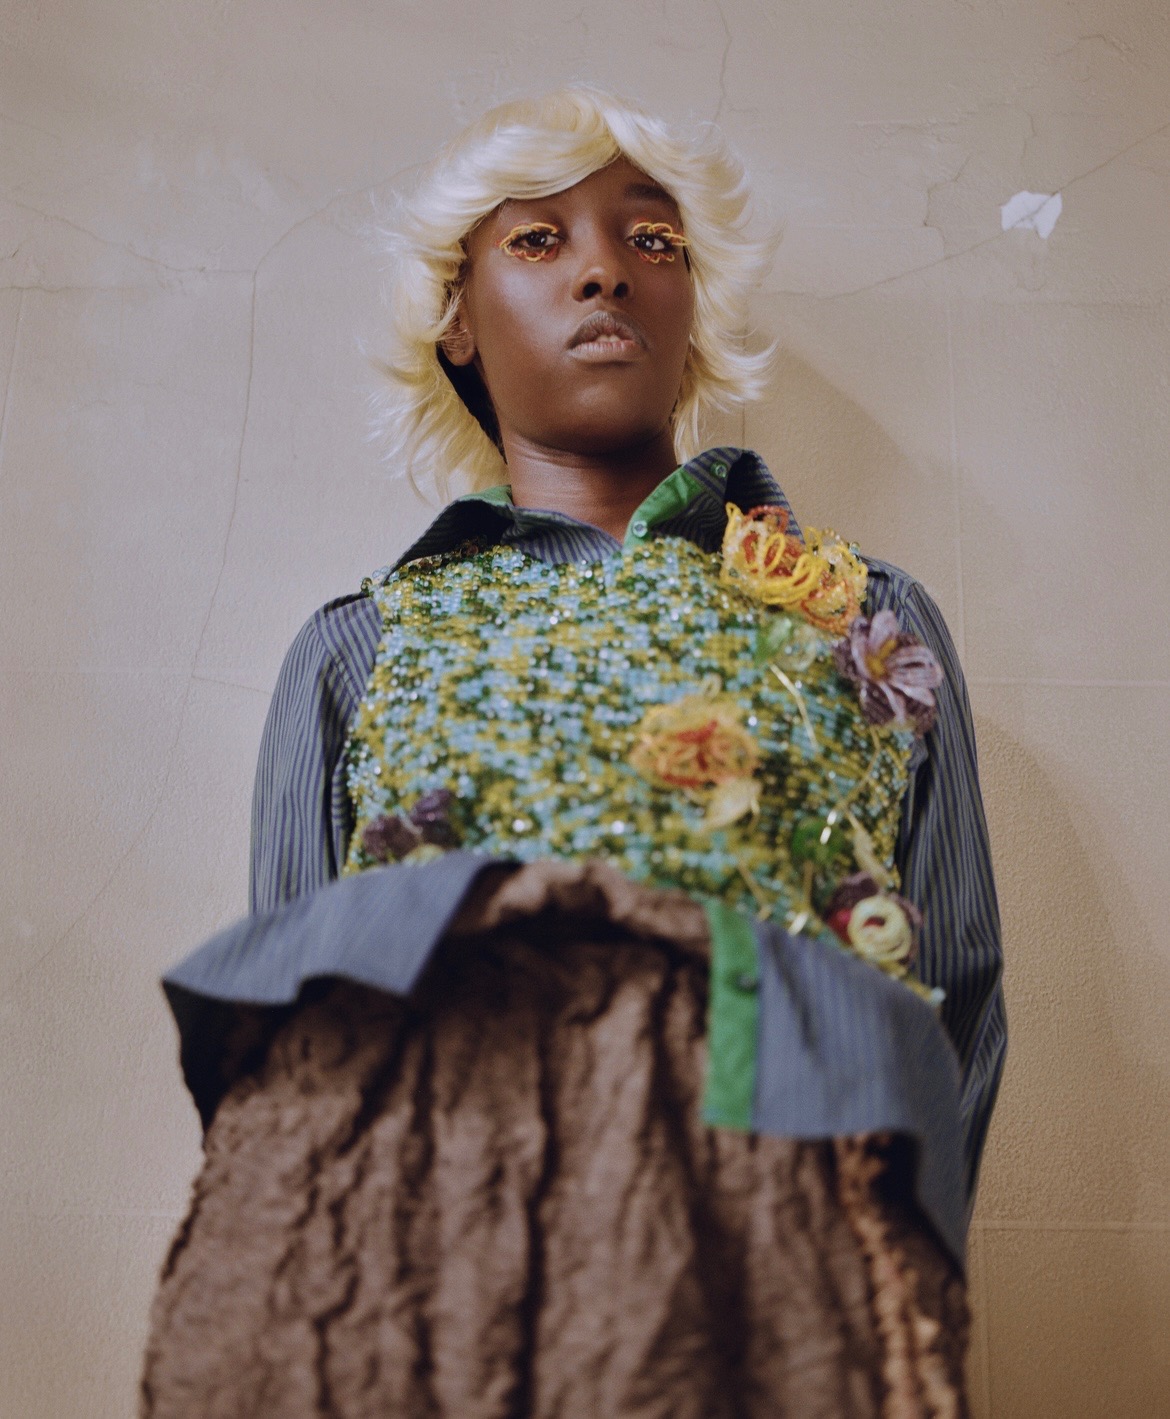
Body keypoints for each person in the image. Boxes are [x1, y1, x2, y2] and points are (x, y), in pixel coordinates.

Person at [144, 87, 1004, 1417]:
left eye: (652, 241)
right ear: (457, 319)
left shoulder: (864, 623)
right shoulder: (360, 649)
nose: (604, 269)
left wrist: (888, 1270)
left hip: (774, 1269)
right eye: (537, 240)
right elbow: (297, 1040)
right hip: (427, 1268)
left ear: (693, 303)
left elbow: (953, 993)